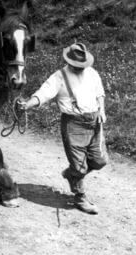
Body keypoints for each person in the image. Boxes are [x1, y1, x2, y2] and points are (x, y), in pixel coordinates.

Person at [17, 43, 107, 214]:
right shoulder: (59, 77)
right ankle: (80, 197)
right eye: (77, 65)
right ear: (70, 62)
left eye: (83, 65)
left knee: (100, 161)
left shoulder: (92, 72)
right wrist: (27, 105)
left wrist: (102, 110)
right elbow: (43, 93)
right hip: (73, 124)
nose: (81, 68)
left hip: (95, 121)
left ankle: (71, 174)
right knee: (80, 166)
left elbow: (99, 93)